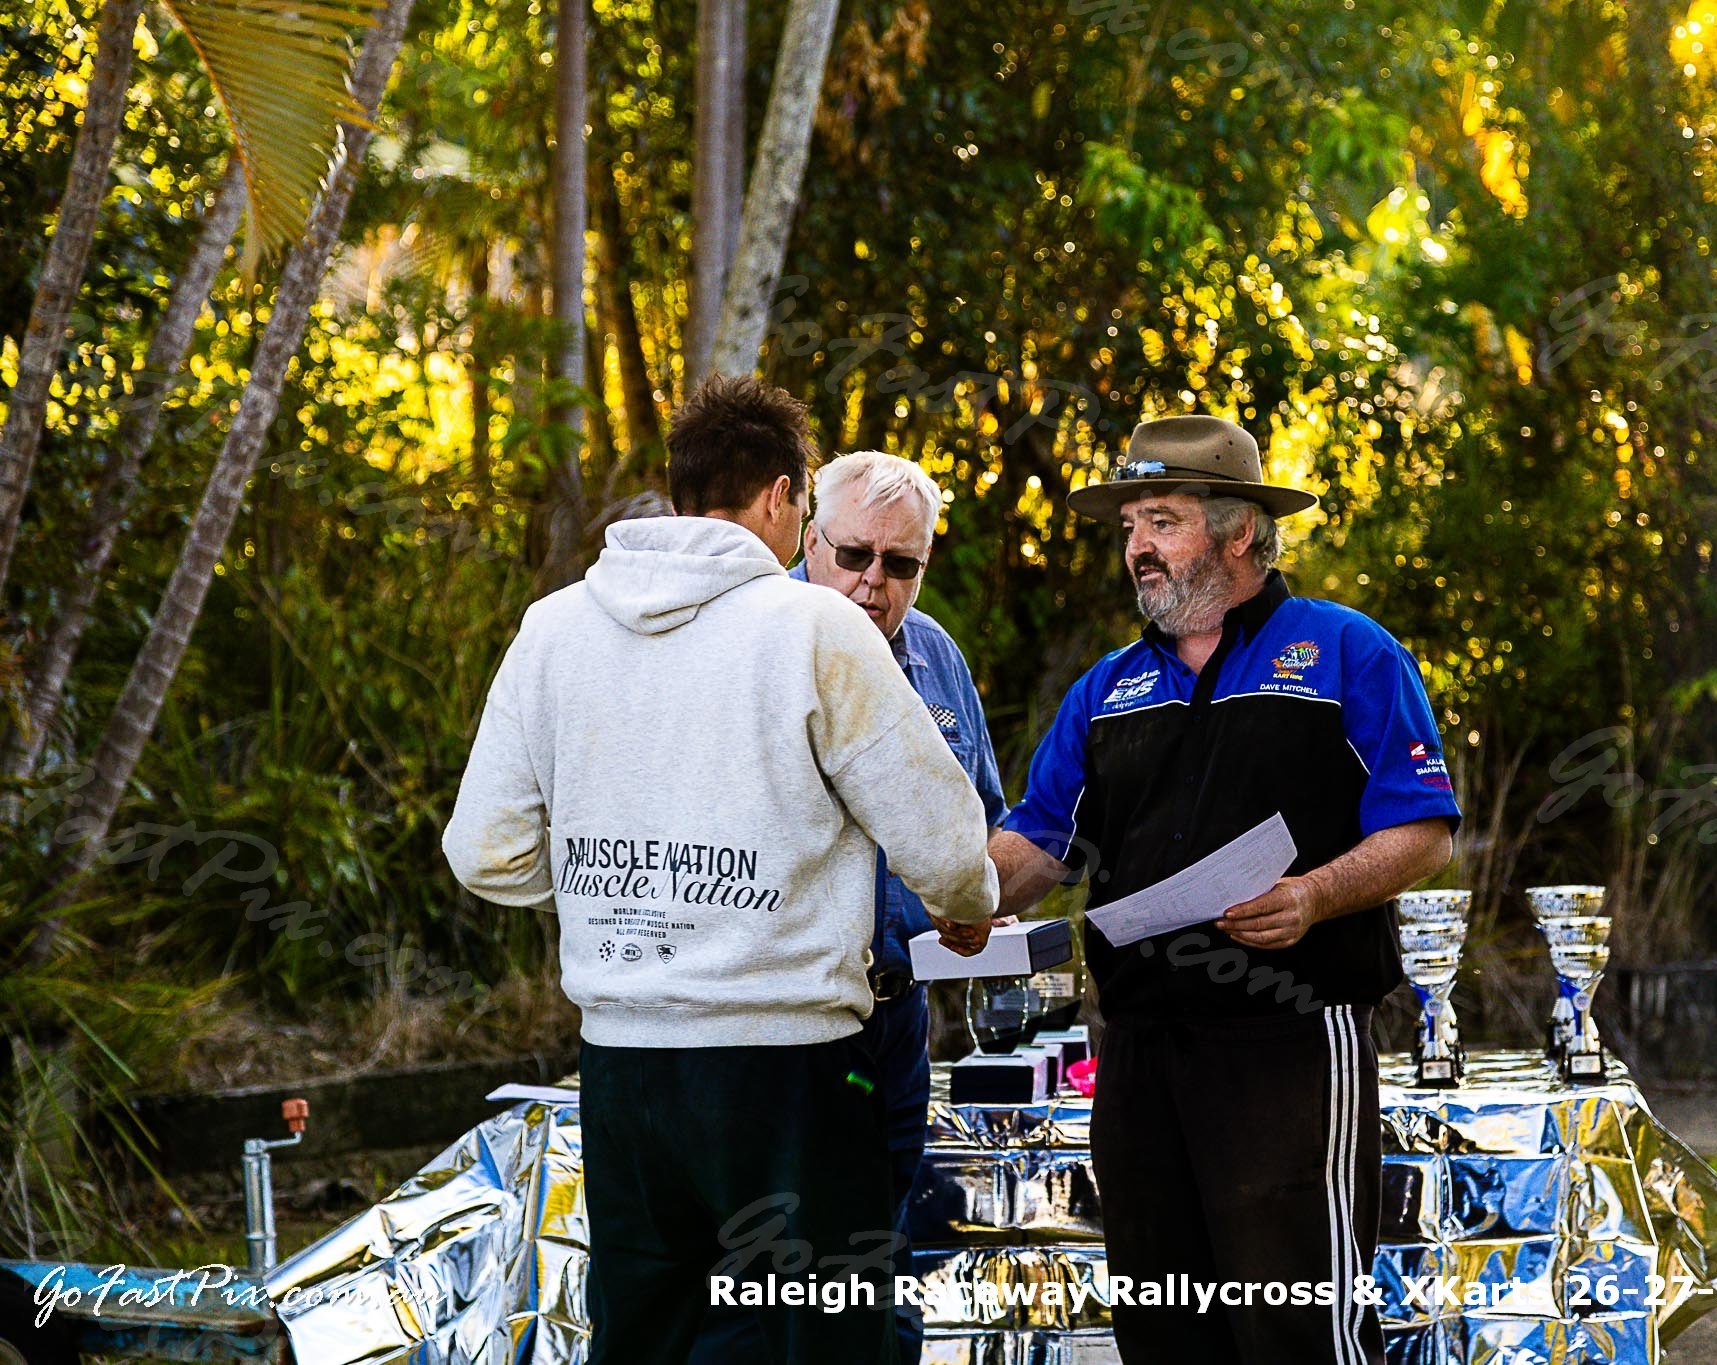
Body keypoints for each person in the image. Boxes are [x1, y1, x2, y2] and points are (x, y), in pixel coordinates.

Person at [441, 376, 999, 1365]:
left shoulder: (555, 629)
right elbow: (951, 851)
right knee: (813, 1340)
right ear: (786, 499)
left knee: (646, 1339)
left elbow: (483, 850)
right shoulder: (818, 631)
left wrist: (620, 885)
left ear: (678, 484)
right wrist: (967, 904)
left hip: (622, 1064)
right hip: (788, 1067)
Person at [988, 415, 1461, 1365]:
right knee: (1163, 1332)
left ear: (1238, 529)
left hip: (1288, 1042)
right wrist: (945, 889)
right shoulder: (1106, 688)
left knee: (1296, 1331)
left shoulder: (1347, 651)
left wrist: (1318, 895)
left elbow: (1425, 829)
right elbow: (1035, 846)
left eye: (1159, 520)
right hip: (1139, 1055)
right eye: (1129, 528)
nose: (1136, 549)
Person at [690, 450, 1007, 1364]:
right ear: (807, 538)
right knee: (755, 1286)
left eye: (899, 564)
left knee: (876, 1273)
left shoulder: (936, 658)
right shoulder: (743, 636)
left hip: (892, 1018)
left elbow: (970, 824)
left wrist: (971, 910)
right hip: (769, 1017)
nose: (872, 582)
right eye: (853, 553)